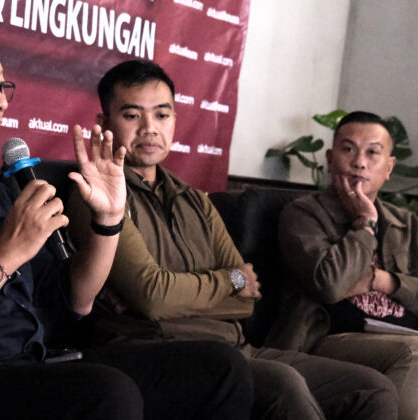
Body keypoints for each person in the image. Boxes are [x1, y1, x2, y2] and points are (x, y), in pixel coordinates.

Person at [0, 13, 254, 420]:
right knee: (106, 393)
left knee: (219, 370)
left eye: (2, 86)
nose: (1, 100)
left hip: (27, 364)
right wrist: (6, 254)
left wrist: (108, 220)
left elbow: (74, 301)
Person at [67, 59, 399, 420]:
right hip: (156, 351)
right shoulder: (96, 197)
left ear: (174, 119)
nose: (149, 128)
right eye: (132, 115)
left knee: (373, 388)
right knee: (283, 384)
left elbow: (246, 300)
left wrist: (202, 289)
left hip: (235, 347)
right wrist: (228, 281)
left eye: (161, 115)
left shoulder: (195, 200)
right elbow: (153, 297)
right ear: (104, 124)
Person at [273, 111, 418, 420]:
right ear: (330, 159)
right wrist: (365, 224)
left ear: (389, 167)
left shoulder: (408, 224)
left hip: (401, 335)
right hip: (325, 340)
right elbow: (329, 285)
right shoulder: (303, 215)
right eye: (348, 149)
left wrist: (381, 280)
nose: (359, 162)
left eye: (372, 153)